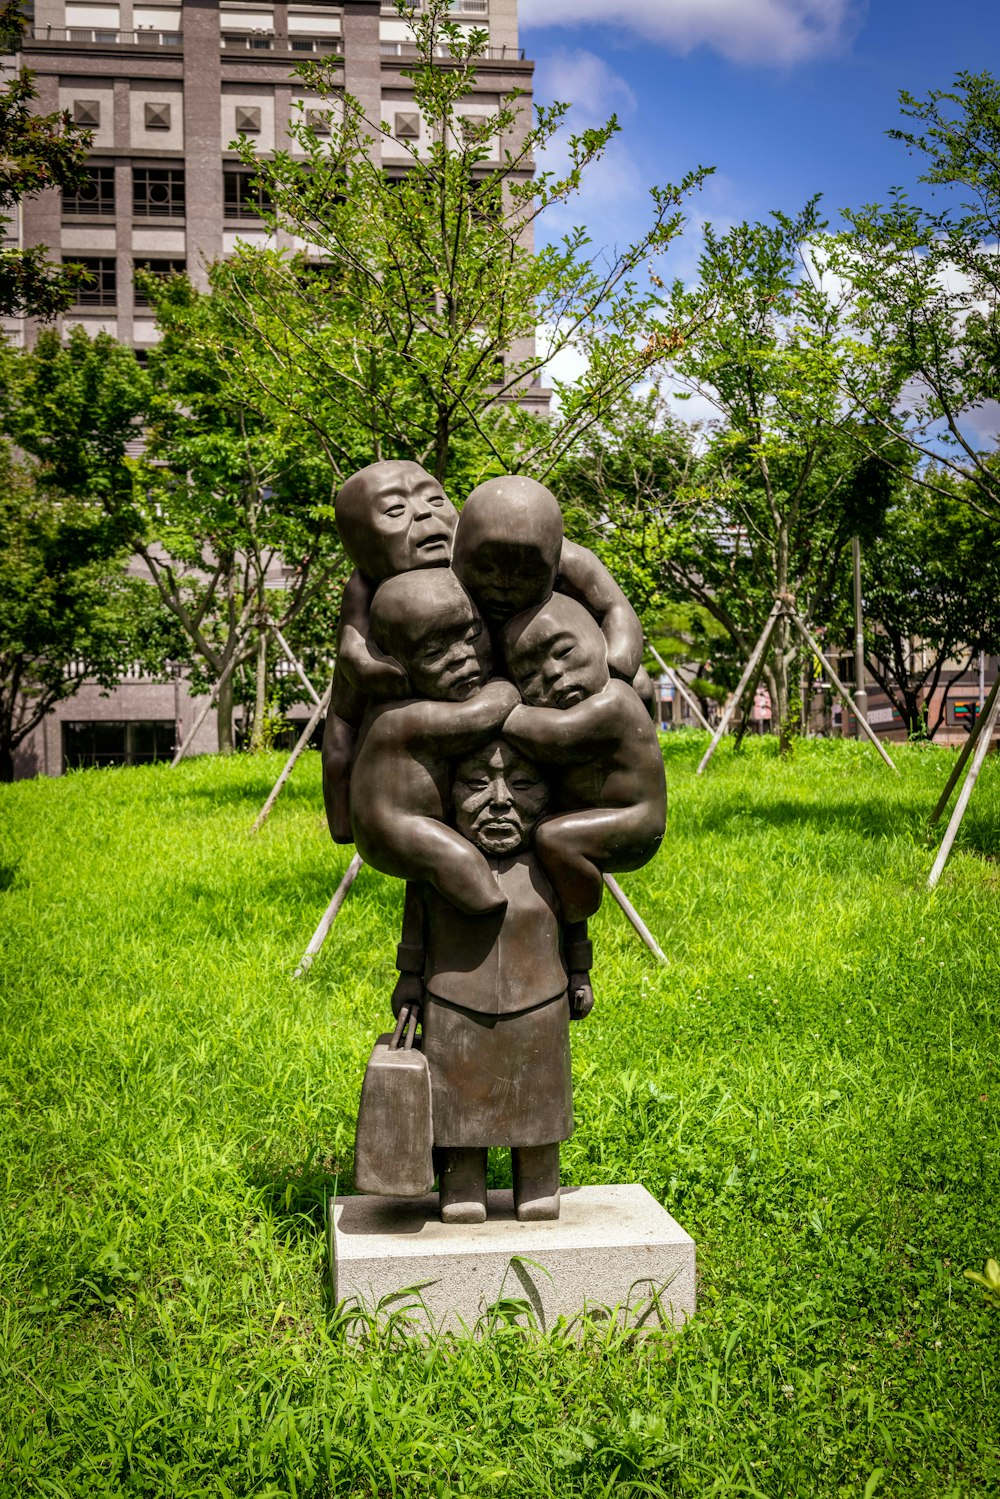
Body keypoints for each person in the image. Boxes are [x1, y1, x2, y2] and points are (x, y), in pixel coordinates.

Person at [390, 739, 591, 1224]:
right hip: (452, 1003)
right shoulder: (436, 864)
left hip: (542, 1001)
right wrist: (409, 982)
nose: (500, 801)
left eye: (522, 783)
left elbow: (576, 920)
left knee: (538, 1100)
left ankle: (538, 1183)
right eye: (477, 784)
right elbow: (415, 928)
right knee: (458, 1107)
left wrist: (581, 972)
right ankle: (461, 1184)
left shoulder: (557, 860)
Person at [348, 568, 518, 914]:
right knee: (459, 862)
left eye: (472, 636)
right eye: (433, 653)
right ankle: (488, 906)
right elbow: (485, 713)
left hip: (407, 823)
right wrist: (507, 684)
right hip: (395, 829)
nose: (461, 656)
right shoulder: (405, 719)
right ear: (399, 668)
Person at [501, 593, 666, 924]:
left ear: (601, 644)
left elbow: (558, 735)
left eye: (564, 652)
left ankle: (577, 906)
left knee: (554, 837)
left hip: (634, 821)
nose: (551, 672)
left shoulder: (614, 702)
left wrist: (502, 710)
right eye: (529, 673)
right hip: (600, 814)